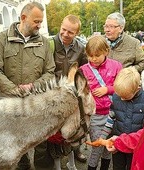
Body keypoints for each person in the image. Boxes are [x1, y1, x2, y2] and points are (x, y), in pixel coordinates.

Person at [0, 2, 55, 170]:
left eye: (41, 21)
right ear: (23, 18)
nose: (40, 25)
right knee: (14, 142)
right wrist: (13, 89)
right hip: (10, 104)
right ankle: (22, 166)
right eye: (37, 21)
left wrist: (33, 86)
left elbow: (50, 71)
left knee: (40, 142)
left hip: (37, 102)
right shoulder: (2, 39)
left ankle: (41, 167)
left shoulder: (44, 43)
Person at [34, 14, 87, 170]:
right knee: (53, 132)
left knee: (72, 128)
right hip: (51, 95)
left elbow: (82, 72)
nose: (65, 34)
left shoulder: (80, 48)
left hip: (70, 97)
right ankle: (52, 161)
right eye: (63, 29)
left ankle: (75, 152)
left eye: (70, 32)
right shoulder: (49, 44)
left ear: (76, 33)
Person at [79, 35, 123, 170]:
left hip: (113, 113)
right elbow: (80, 92)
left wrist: (108, 89)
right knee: (97, 147)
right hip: (95, 116)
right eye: (90, 56)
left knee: (108, 146)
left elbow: (123, 88)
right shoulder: (83, 70)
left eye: (97, 55)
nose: (93, 59)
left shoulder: (116, 66)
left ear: (106, 51)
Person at [101, 67, 144, 170]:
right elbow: (111, 117)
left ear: (137, 89)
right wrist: (103, 135)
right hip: (118, 141)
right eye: (119, 95)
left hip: (135, 147)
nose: (121, 99)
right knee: (117, 166)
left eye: (125, 97)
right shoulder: (116, 97)